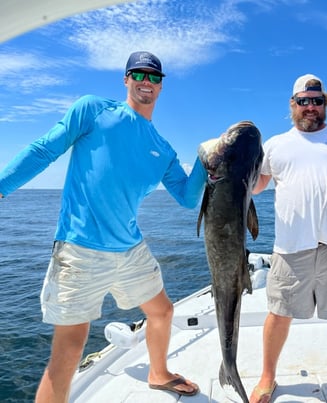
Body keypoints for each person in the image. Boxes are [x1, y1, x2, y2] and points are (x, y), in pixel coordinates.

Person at [0, 51, 204, 402]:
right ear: (125, 79)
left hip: (130, 249)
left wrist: (203, 159)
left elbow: (187, 198)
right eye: (139, 75)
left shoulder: (163, 149)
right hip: (81, 249)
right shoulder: (93, 109)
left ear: (161, 86)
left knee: (163, 311)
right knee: (70, 346)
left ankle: (158, 374)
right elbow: (43, 150)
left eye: (155, 78)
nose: (147, 82)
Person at [249, 74, 327, 403]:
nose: (311, 107)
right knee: (278, 313)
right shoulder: (275, 145)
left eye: (317, 101)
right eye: (304, 101)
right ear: (293, 104)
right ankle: (267, 376)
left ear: (325, 104)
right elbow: (256, 185)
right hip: (290, 247)